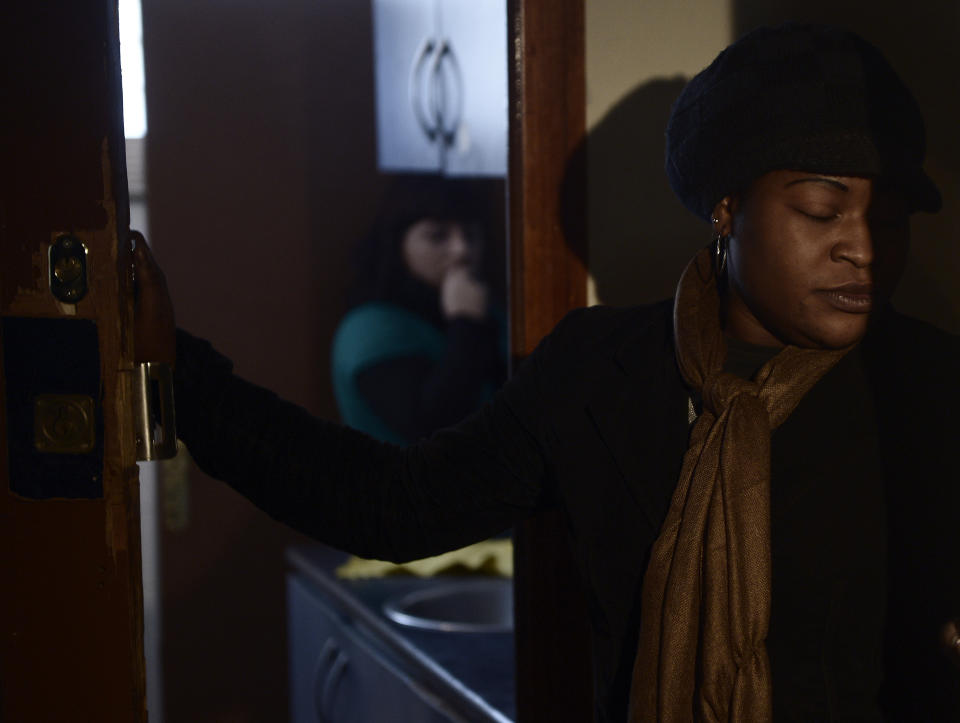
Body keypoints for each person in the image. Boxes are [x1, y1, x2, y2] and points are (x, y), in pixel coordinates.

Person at [134, 23, 960, 722]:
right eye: (822, 210)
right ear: (726, 207)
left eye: (887, 218)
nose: (862, 245)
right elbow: (392, 505)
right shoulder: (600, 374)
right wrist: (182, 373)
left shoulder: (927, 387)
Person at [330, 176, 506, 445]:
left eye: (470, 234)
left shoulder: (490, 311)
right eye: (438, 236)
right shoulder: (370, 328)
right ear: (399, 242)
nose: (462, 250)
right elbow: (431, 427)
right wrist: (466, 324)